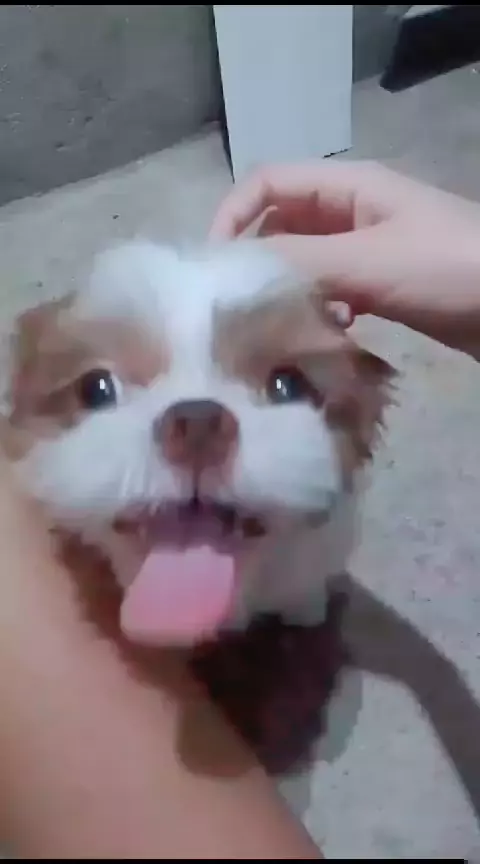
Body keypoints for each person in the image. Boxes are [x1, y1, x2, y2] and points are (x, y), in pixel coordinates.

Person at [1, 159, 480, 858]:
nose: (195, 422)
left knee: (302, 599)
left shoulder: (320, 538)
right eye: (101, 391)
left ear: (355, 420)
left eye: (284, 386)